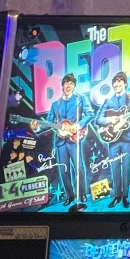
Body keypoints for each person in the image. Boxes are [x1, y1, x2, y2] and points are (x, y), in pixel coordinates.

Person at [31, 72, 93, 210]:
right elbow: (49, 123)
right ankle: (70, 195)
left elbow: (90, 114)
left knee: (79, 168)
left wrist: (79, 125)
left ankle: (82, 194)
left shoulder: (80, 99)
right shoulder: (55, 105)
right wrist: (37, 127)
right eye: (66, 83)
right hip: (60, 142)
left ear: (74, 85)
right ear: (62, 85)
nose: (68, 86)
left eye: (71, 83)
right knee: (63, 170)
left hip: (74, 139)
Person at [96, 71, 130, 208]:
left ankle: (125, 196)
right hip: (112, 139)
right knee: (114, 167)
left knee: (126, 168)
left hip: (127, 138)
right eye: (115, 81)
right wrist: (109, 119)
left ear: (125, 83)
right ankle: (117, 196)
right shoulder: (108, 100)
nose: (116, 84)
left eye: (119, 81)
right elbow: (98, 119)